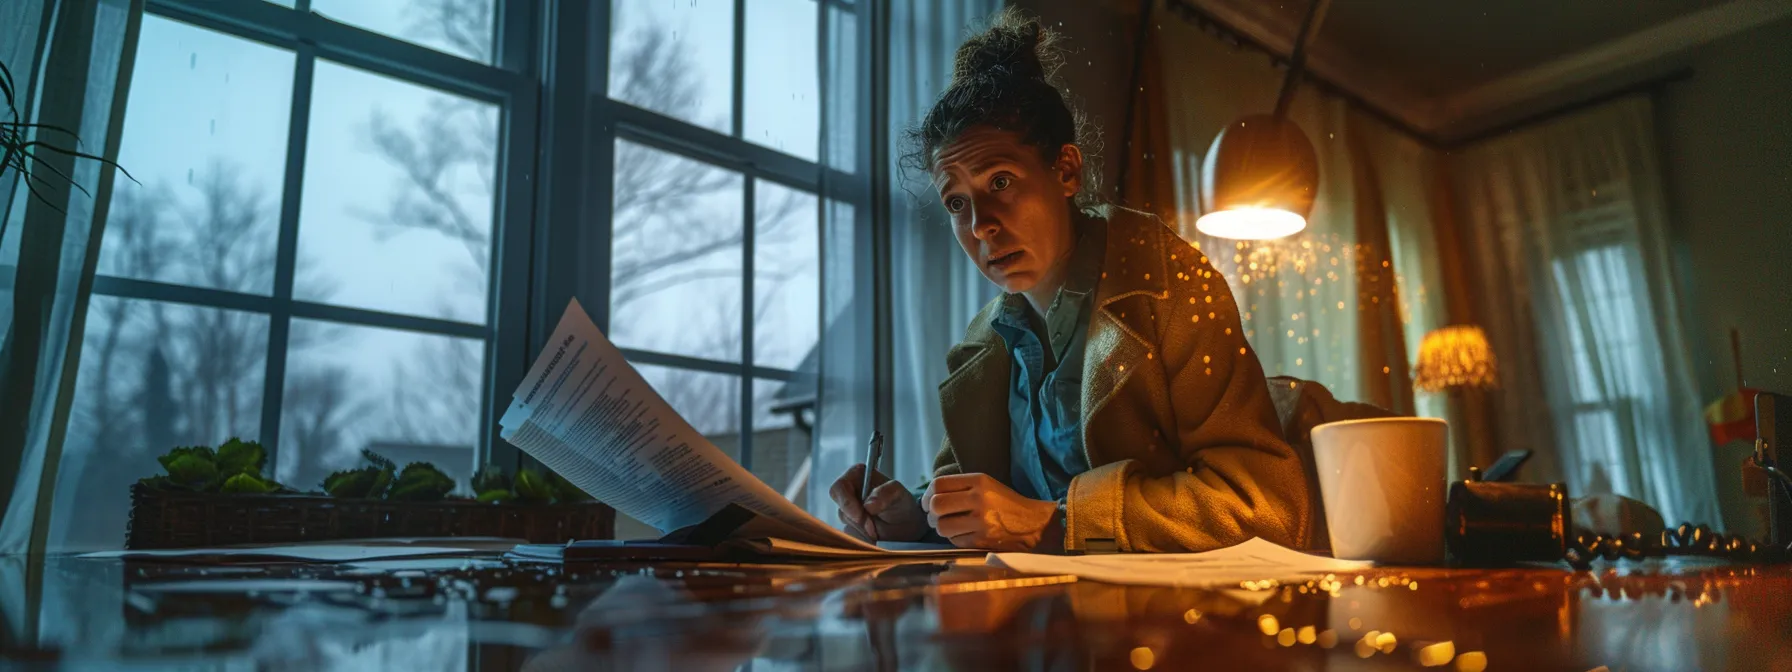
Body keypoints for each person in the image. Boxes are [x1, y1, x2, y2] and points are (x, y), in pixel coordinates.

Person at [828, 9, 1312, 554]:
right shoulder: (986, 343)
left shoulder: (1171, 288)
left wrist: (1055, 523)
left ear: (1066, 171)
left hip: (1172, 627)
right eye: (957, 202)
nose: (981, 224)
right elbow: (984, 500)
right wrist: (915, 515)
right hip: (1032, 622)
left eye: (1001, 181)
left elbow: (1267, 507)